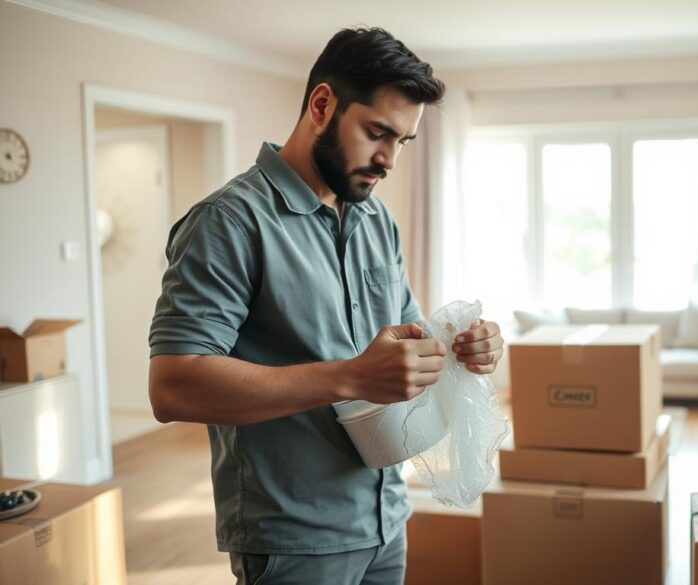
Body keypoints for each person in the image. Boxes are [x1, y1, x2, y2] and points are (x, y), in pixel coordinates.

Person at [147, 26, 504, 585]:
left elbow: (409, 334)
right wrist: (350, 377)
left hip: (387, 518)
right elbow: (172, 387)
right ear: (322, 105)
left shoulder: (374, 218)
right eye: (377, 132)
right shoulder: (229, 223)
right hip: (295, 537)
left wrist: (460, 347)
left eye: (402, 142)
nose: (388, 159)